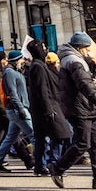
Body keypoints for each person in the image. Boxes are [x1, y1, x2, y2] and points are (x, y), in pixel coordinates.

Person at [48, 32, 96, 190]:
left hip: (85, 107)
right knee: (83, 143)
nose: (88, 52)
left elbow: (84, 82)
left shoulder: (74, 60)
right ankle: (57, 168)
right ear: (80, 48)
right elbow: (84, 85)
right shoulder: (74, 61)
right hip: (79, 108)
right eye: (86, 49)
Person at [26, 40, 70, 176]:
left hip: (41, 108)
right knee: (61, 135)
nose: (45, 50)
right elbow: (42, 90)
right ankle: (53, 163)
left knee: (41, 139)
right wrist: (49, 109)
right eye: (43, 47)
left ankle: (40, 166)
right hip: (46, 108)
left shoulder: (38, 65)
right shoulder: (38, 66)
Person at [0, 49, 34, 172]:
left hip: (17, 109)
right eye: (21, 59)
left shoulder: (15, 71)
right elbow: (12, 93)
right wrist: (21, 109)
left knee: (10, 138)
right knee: (34, 135)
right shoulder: (9, 72)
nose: (23, 61)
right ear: (16, 60)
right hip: (17, 109)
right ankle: (45, 162)